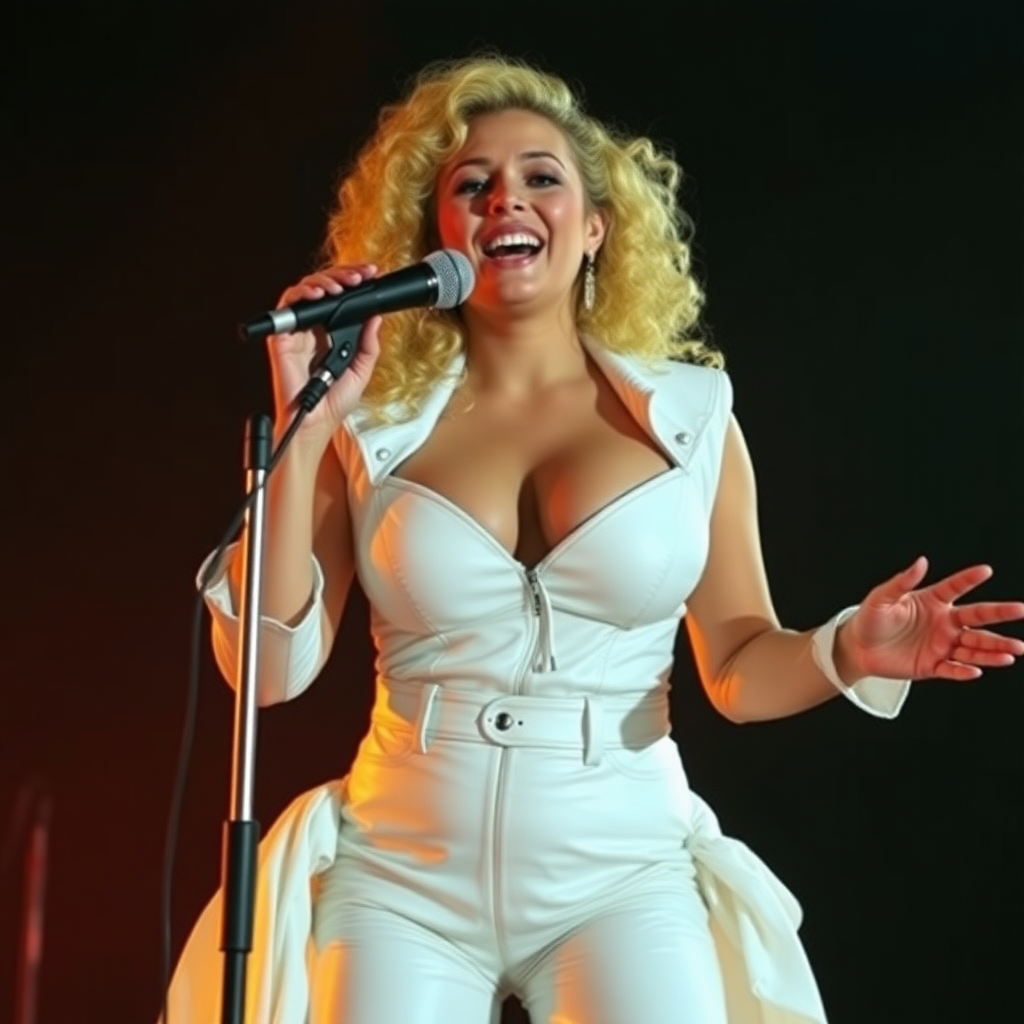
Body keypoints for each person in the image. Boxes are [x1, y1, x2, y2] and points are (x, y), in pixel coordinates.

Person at [166, 54, 1024, 1024]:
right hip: (402, 864)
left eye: (541, 176)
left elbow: (738, 664)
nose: (506, 202)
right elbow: (266, 673)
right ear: (433, 231)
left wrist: (844, 649)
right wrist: (305, 422)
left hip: (618, 865)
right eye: (471, 185)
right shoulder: (365, 424)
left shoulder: (692, 417)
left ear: (596, 226)